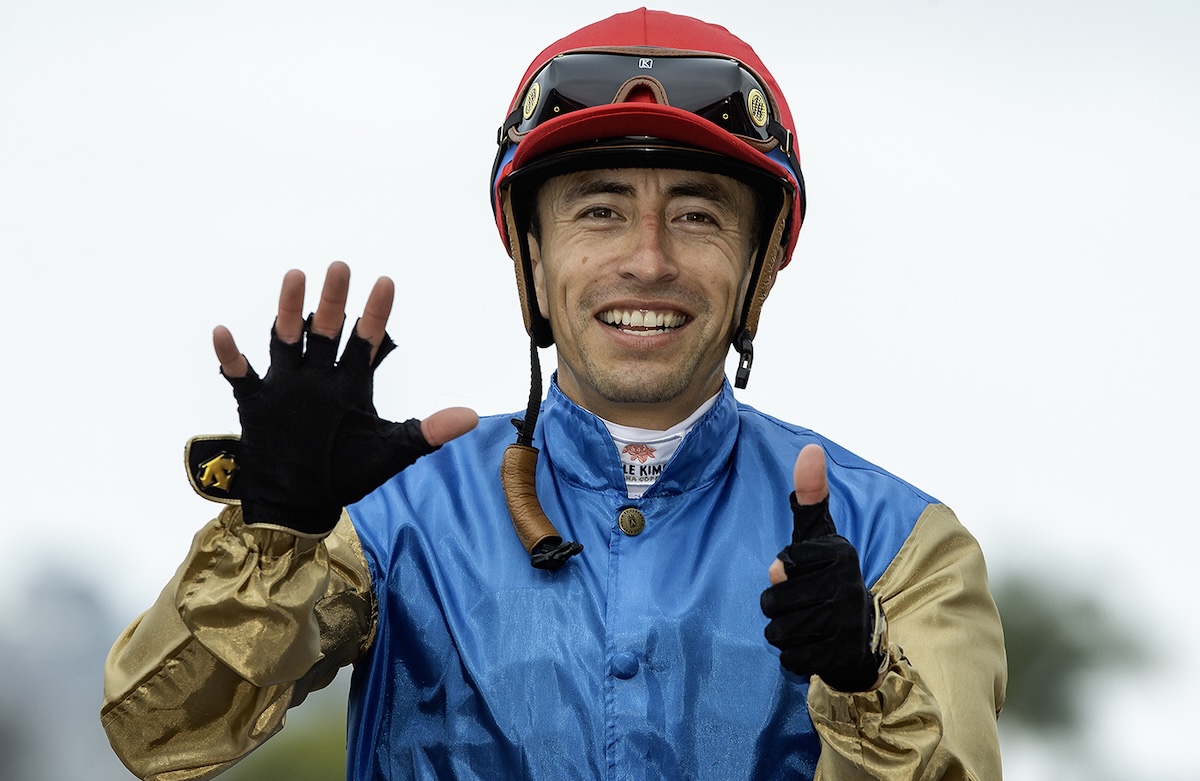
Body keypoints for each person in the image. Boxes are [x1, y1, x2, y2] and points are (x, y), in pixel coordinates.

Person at [102, 8, 1006, 780]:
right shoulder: (384, 516)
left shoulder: (904, 545)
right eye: (599, 210)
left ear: (762, 264)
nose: (647, 259)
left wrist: (865, 678)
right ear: (531, 257)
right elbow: (157, 736)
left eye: (697, 214)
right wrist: (278, 532)